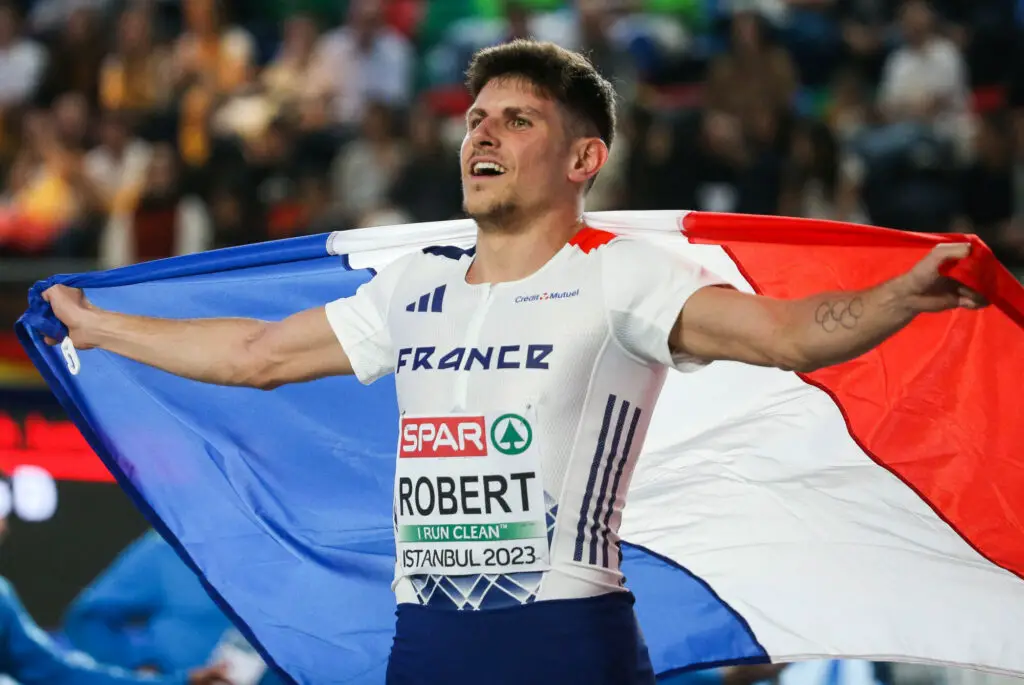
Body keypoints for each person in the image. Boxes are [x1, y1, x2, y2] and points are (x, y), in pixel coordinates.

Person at [40, 40, 985, 685]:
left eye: (518, 120)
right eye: (476, 118)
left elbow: (784, 335)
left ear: (584, 159)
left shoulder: (624, 276)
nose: (482, 134)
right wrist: (100, 327)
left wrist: (898, 295)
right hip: (427, 643)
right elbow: (255, 354)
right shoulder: (413, 286)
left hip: (563, 640)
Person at [0, 516, 229, 685]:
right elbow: (88, 621)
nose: (4, 526)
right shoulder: (169, 549)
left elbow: (58, 674)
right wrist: (141, 664)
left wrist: (178, 683)